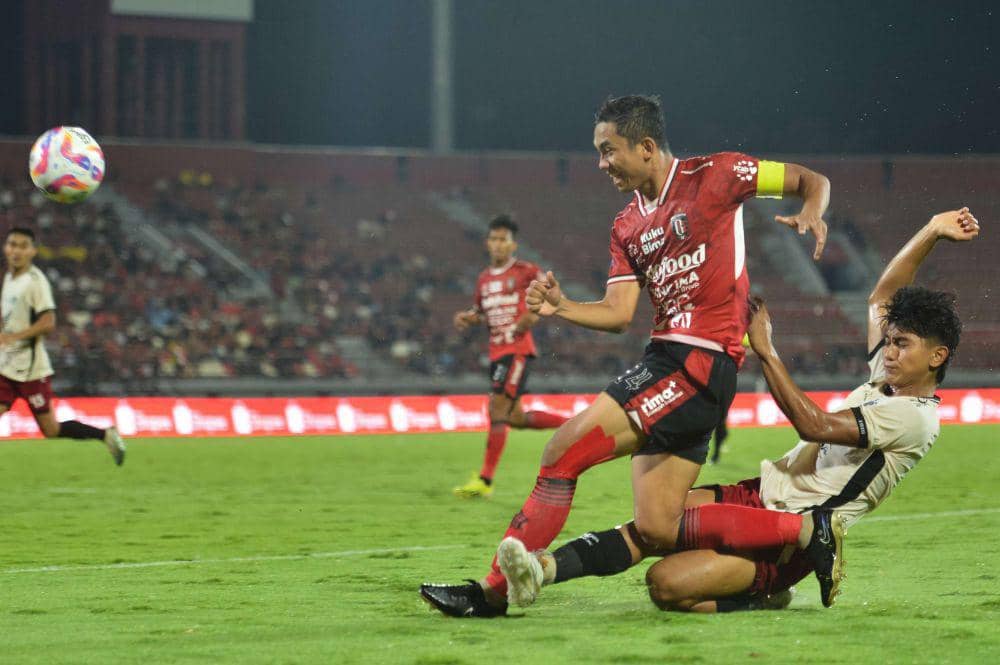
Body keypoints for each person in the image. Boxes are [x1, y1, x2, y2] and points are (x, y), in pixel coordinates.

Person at [421, 94, 832, 617]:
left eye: (608, 150)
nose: (601, 163)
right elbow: (618, 312)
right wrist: (562, 307)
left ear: (646, 147)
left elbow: (811, 180)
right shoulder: (626, 226)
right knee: (659, 525)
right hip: (675, 364)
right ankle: (803, 536)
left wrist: (812, 209)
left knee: (561, 453)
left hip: (695, 362)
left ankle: (493, 592)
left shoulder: (718, 174)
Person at [494, 208, 978, 613]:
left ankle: (766, 595)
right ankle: (542, 569)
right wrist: (932, 230)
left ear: (936, 357)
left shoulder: (914, 417)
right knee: (654, 523)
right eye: (889, 341)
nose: (888, 351)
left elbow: (813, 425)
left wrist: (766, 351)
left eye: (902, 344)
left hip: (793, 538)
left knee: (666, 586)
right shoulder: (885, 380)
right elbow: (882, 298)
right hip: (759, 494)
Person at [451, 215, 568, 498]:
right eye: (494, 239)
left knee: (496, 410)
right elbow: (481, 311)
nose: (498, 244)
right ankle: (573, 425)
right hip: (497, 351)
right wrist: (469, 317)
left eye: (503, 239)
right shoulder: (483, 279)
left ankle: (485, 481)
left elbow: (552, 296)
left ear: (513, 244)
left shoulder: (526, 271)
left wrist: (531, 316)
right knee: (514, 417)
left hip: (516, 350)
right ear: (487, 243)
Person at [1, 227, 126, 464]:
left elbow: (48, 322)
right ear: (6, 248)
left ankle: (105, 435)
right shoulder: (9, 278)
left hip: (30, 371)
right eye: (12, 245)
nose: (16, 251)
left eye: (23, 246)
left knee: (51, 429)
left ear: (33, 251)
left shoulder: (35, 282)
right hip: (6, 367)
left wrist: (13, 337)